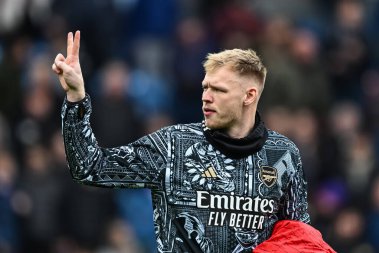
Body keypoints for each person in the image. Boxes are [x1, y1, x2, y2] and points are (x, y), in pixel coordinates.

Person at [52, 31, 310, 253]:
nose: (206, 97)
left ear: (249, 95)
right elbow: (90, 168)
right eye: (204, 87)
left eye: (218, 90)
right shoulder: (173, 146)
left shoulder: (283, 154)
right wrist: (76, 100)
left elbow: (300, 239)